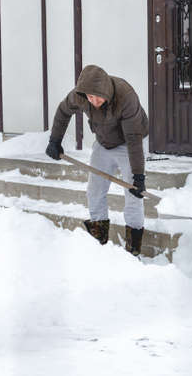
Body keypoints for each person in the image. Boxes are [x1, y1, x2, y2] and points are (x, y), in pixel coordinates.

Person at [46, 64, 149, 256]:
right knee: (95, 190)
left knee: (133, 194)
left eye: (97, 97)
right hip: (103, 142)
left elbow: (134, 140)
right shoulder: (80, 94)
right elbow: (63, 111)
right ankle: (98, 243)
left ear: (106, 91)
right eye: (89, 97)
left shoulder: (126, 96)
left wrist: (138, 175)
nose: (93, 101)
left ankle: (133, 250)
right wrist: (55, 140)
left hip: (129, 143)